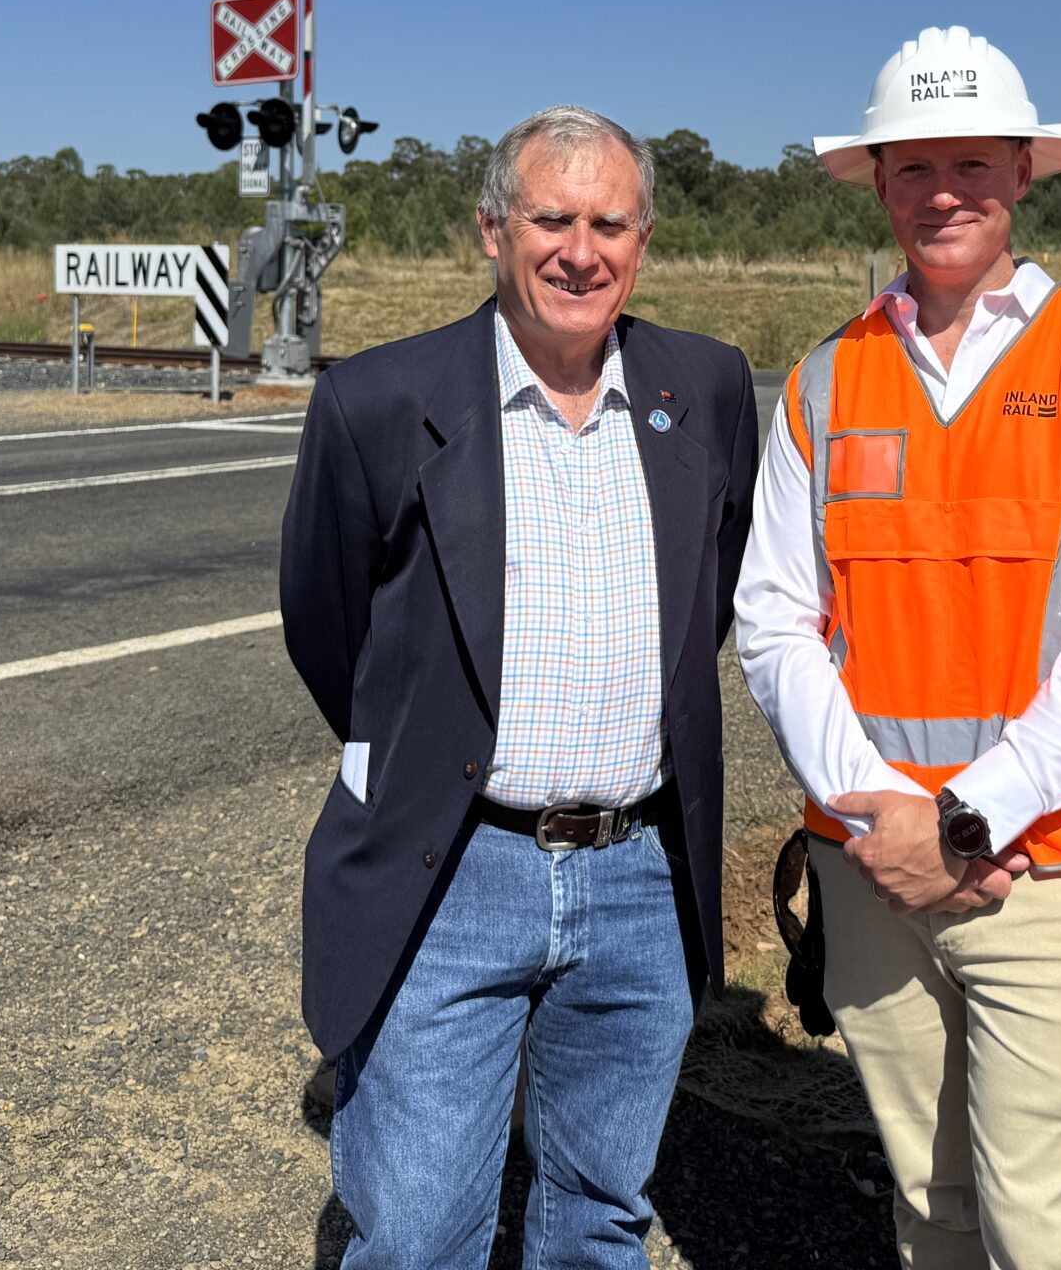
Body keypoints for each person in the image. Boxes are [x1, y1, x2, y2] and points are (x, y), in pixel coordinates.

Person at [736, 25, 1061, 1270]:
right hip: (872, 869)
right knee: (929, 1208)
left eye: (973, 164)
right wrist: (881, 813)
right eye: (914, 166)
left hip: (1043, 872)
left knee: (1044, 1232)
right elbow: (775, 617)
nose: (944, 191)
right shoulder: (826, 381)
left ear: (1022, 174)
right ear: (878, 181)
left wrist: (968, 822)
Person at [281, 104, 759, 1269]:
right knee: (418, 1235)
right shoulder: (380, 404)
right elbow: (327, 625)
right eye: (551, 218)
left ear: (642, 241)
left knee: (598, 1221)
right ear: (491, 230)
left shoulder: (706, 387)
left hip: (642, 878)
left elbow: (718, 592)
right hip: (453, 874)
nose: (579, 250)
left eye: (609, 222)